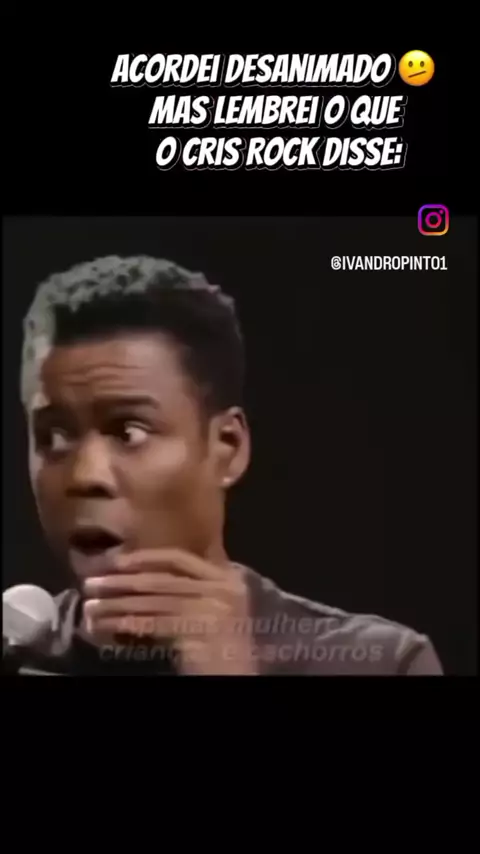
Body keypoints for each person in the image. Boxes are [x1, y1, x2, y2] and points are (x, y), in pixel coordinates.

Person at [13, 254, 442, 675]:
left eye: (129, 432)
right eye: (55, 437)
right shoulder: (16, 654)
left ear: (228, 447)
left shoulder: (380, 663)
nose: (85, 476)